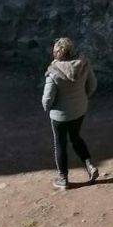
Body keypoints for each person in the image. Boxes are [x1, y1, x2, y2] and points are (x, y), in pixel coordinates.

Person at [42, 37, 99, 191]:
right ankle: (90, 165)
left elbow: (47, 99)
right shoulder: (84, 64)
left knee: (60, 144)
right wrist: (82, 98)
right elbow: (92, 85)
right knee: (75, 137)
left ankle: (63, 178)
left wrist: (49, 108)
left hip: (60, 116)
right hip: (80, 110)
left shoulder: (53, 72)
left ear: (56, 53)